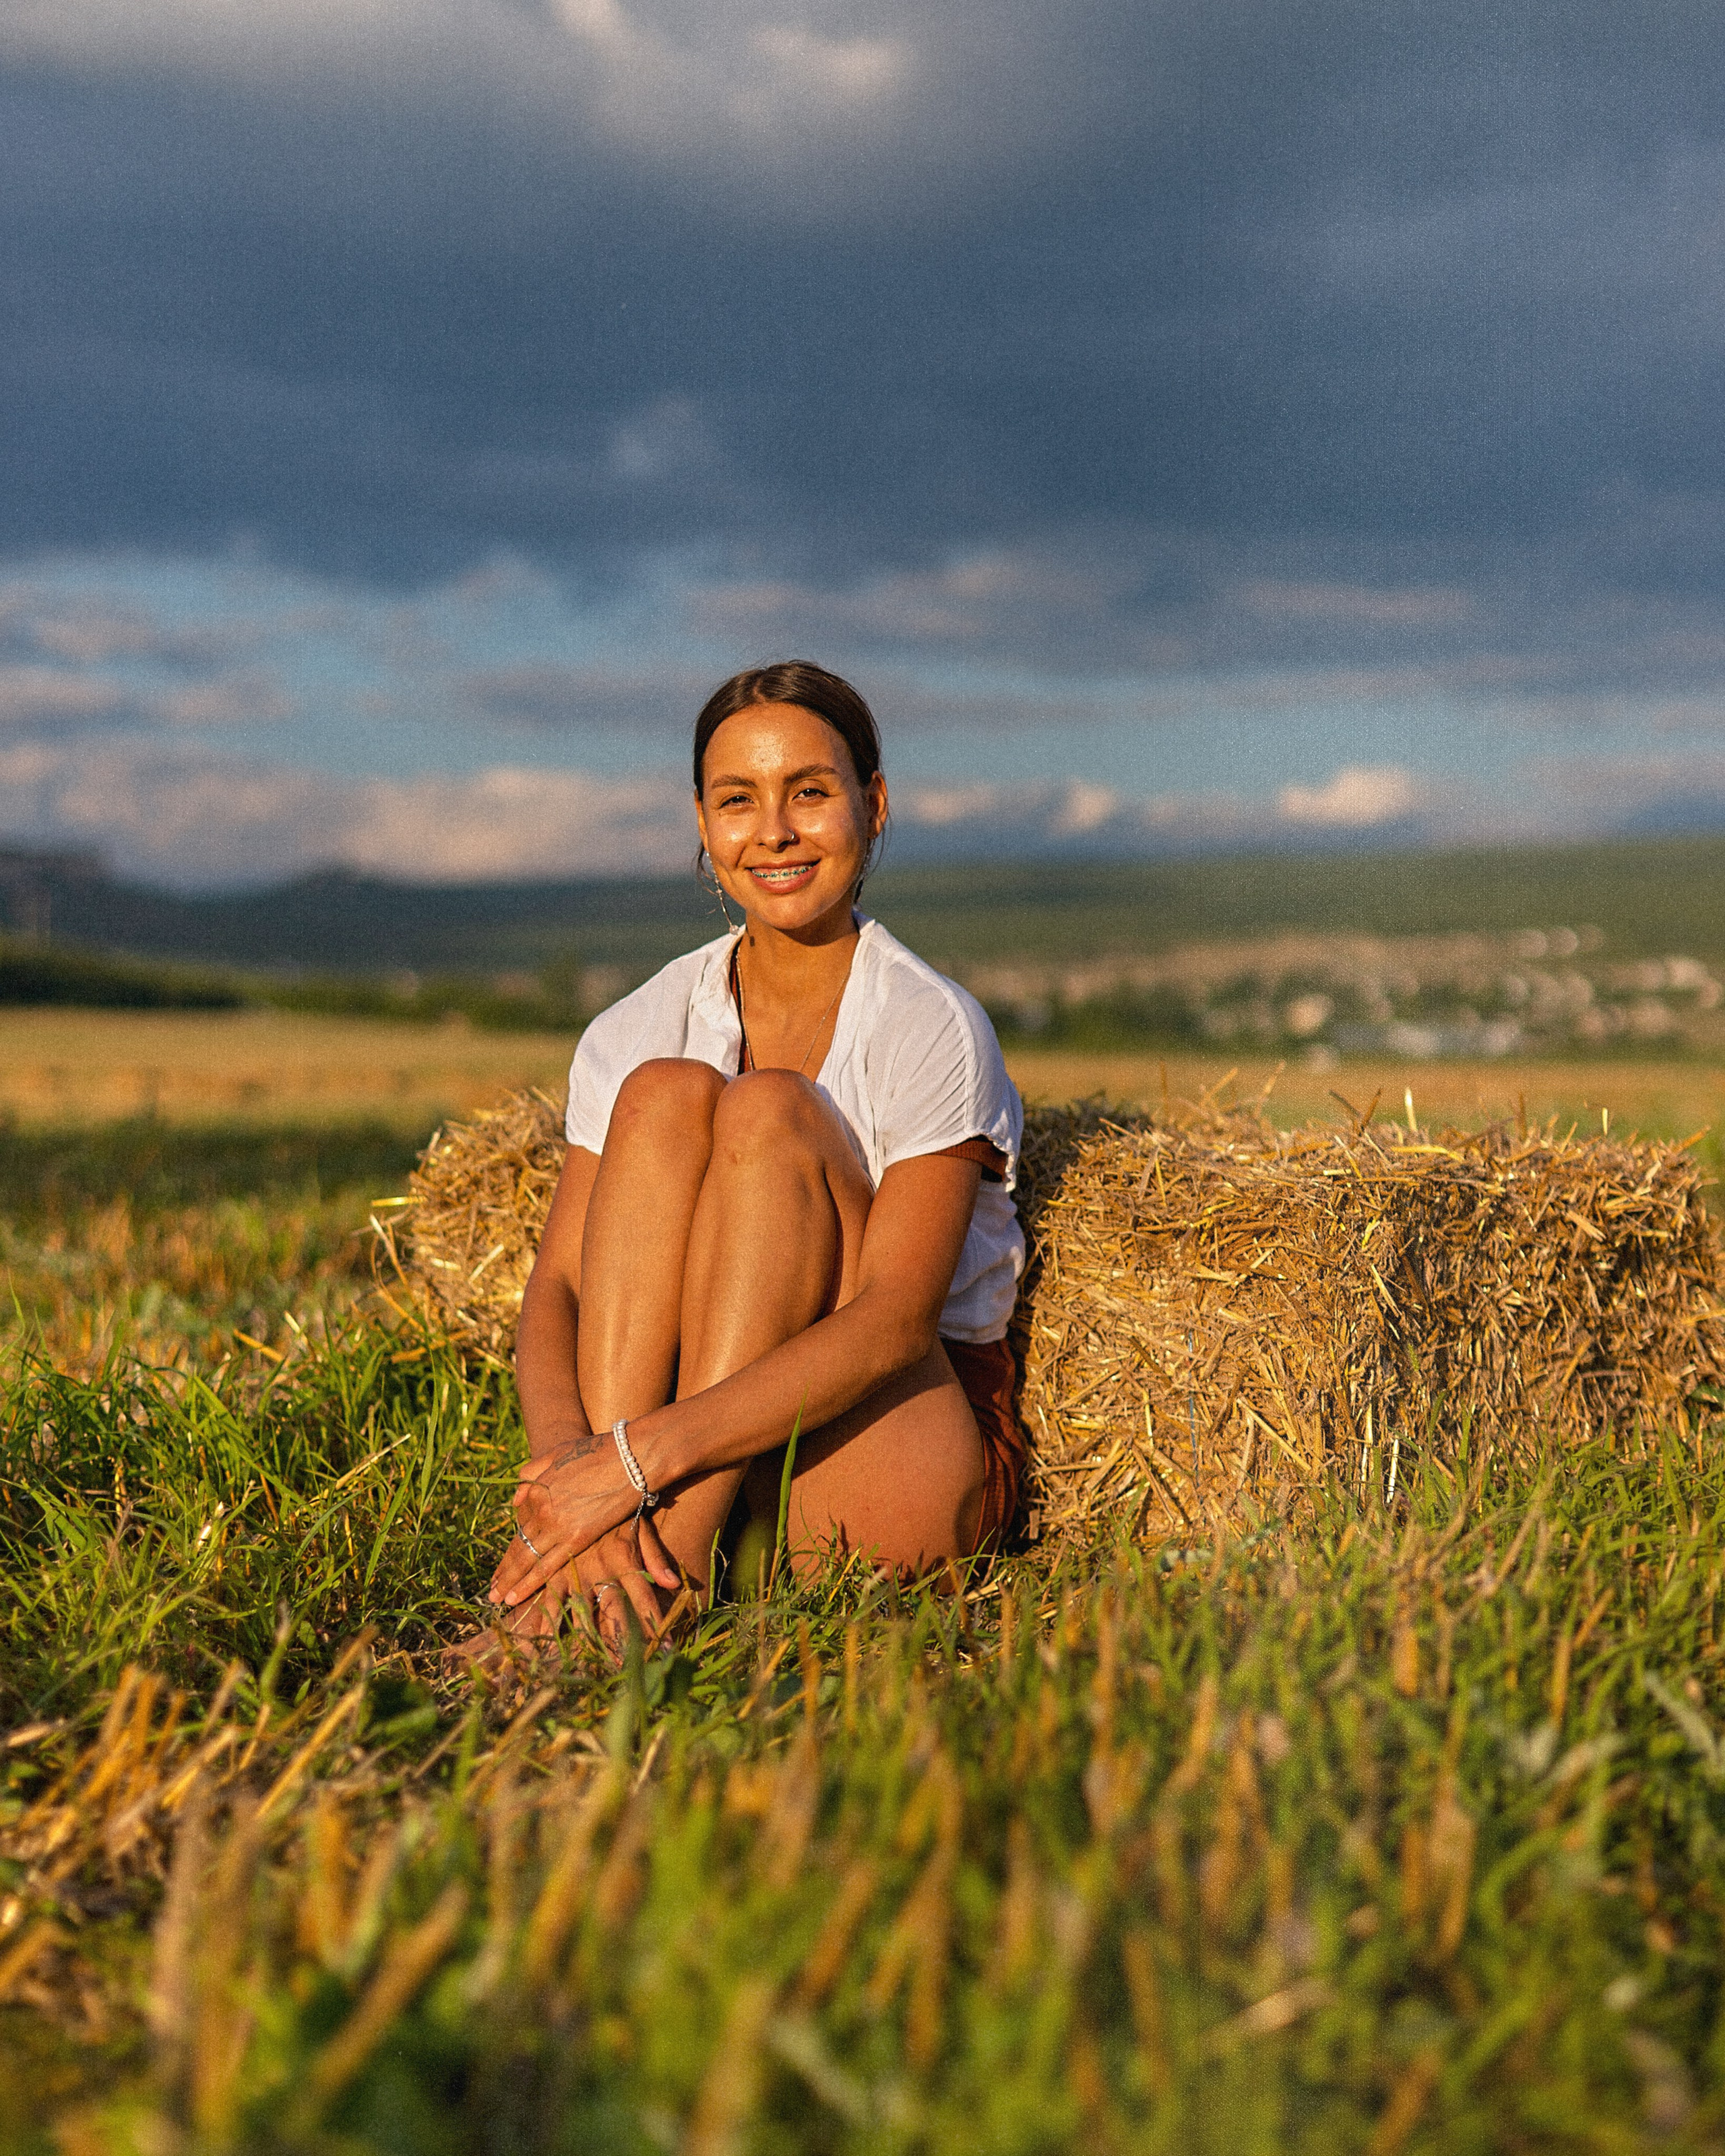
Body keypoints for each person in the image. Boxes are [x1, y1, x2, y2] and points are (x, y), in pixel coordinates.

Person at [480, 660, 1026, 1661]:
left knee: (773, 1114)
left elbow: (897, 1324)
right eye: (738, 800)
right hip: (678, 1443)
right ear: (701, 822)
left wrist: (637, 1465)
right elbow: (554, 1287)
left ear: (875, 804)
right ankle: (614, 1566)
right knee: (665, 1093)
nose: (772, 831)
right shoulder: (635, 1024)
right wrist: (570, 1470)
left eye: (809, 793)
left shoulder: (931, 1025)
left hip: (879, 1437)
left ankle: (651, 1588)